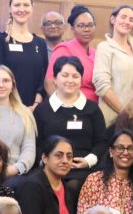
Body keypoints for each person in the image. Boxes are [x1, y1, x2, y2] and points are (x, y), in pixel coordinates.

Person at [33, 56, 106, 192]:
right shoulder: (42, 110)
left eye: (75, 76)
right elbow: (37, 143)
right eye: (65, 75)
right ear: (55, 79)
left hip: (84, 170)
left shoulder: (92, 109)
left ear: (81, 79)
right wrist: (49, 163)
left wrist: (88, 161)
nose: (70, 80)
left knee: (75, 185)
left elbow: (102, 142)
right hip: (51, 169)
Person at [0, 0, 49, 108]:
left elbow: (43, 79)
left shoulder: (41, 43)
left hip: (35, 110)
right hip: (7, 107)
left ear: (32, 8)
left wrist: (36, 104)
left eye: (26, 5)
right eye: (17, 5)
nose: (22, 9)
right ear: (10, 8)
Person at [93, 4, 133, 126]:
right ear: (113, 19)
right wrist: (125, 114)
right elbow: (102, 85)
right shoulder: (104, 47)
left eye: (131, 20)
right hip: (113, 119)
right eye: (123, 17)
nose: (127, 22)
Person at [45, 5, 98, 102]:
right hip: (69, 110)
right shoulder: (64, 49)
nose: (86, 29)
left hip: (93, 109)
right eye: (81, 25)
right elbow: (49, 83)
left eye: (90, 25)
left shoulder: (96, 53)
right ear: (73, 28)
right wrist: (63, 108)